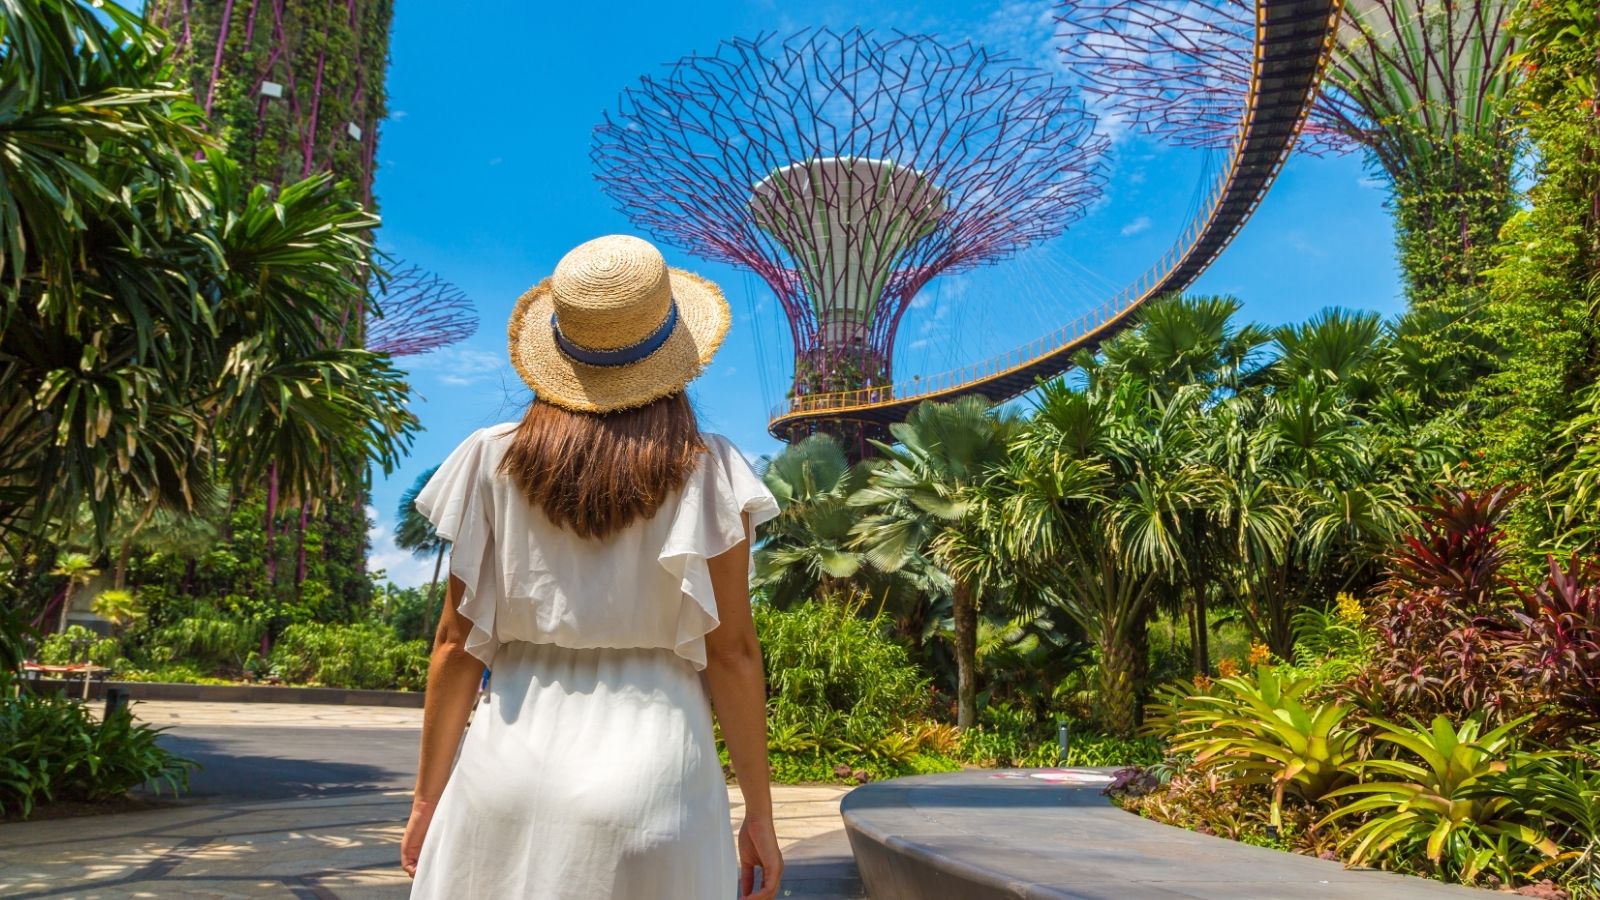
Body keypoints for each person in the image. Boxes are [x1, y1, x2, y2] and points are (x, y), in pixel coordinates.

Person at [400, 235, 784, 899]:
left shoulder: (491, 459)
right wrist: (760, 814)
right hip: (656, 774)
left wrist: (426, 801)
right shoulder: (709, 470)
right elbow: (733, 655)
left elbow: (455, 646)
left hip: (502, 775)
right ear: (673, 356)